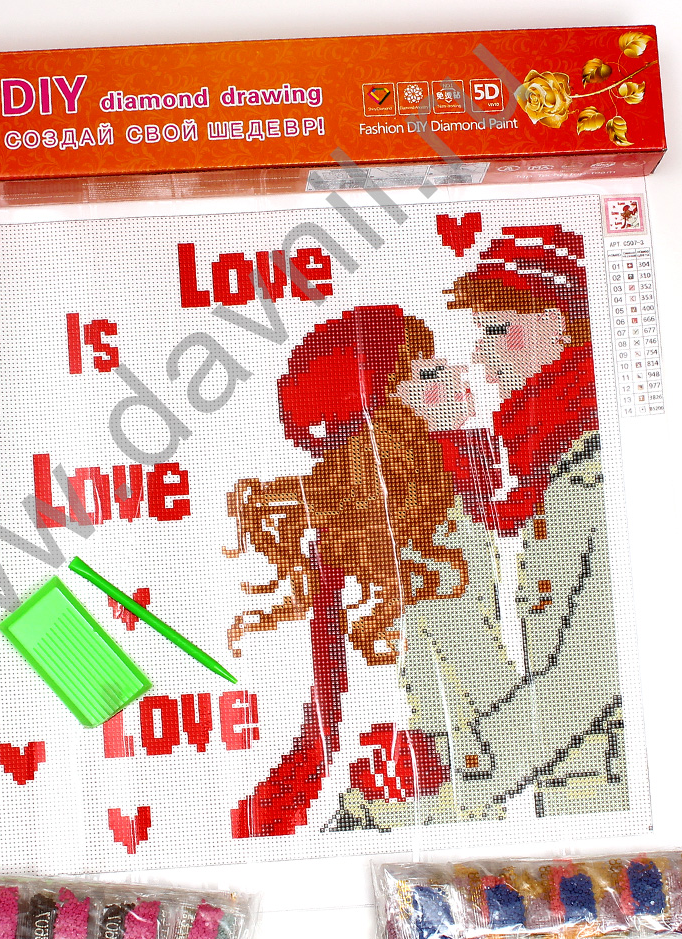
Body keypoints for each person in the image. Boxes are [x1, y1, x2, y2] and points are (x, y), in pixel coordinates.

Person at [226, 220, 627, 839]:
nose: (472, 368)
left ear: (562, 323)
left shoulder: (545, 472)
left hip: (575, 784)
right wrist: (425, 773)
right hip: (531, 793)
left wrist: (445, 768)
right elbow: (455, 688)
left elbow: (584, 668)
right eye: (429, 374)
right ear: (387, 418)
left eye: (495, 332)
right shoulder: (446, 515)